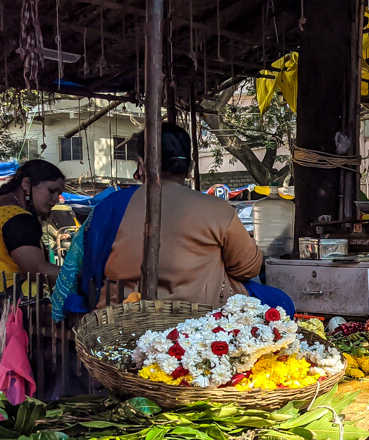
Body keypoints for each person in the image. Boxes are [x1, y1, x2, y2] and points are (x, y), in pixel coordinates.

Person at [51, 123, 289, 320]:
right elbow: (249, 268)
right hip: (199, 320)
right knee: (280, 303)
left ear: (142, 166)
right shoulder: (217, 209)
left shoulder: (108, 206)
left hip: (118, 317)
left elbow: (84, 269)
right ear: (189, 167)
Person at [0, 160, 64, 288]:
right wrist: (79, 278)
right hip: (0, 300)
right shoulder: (17, 217)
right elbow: (36, 270)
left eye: (59, 194)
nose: (56, 199)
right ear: (26, 184)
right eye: (52, 191)